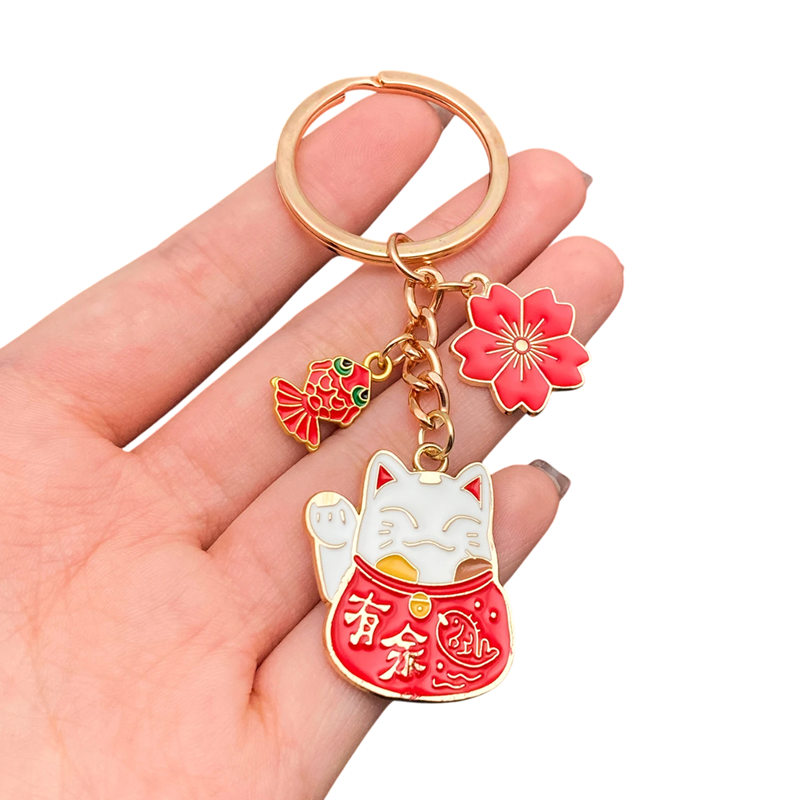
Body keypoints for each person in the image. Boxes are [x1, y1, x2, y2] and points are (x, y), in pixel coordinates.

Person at [0, 94, 622, 797]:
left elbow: (352, 578)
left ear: (477, 506)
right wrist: (335, 541)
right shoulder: (378, 541)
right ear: (379, 492)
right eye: (418, 524)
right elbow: (344, 580)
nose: (429, 539)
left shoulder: (461, 570)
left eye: (452, 530)